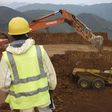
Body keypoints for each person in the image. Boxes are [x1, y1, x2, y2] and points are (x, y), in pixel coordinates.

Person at [0, 17, 57, 112]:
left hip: (22, 101)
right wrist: (50, 89)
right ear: (27, 33)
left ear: (11, 35)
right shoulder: (40, 51)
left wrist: (14, 91)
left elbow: (3, 85)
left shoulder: (6, 57)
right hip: (42, 97)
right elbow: (51, 76)